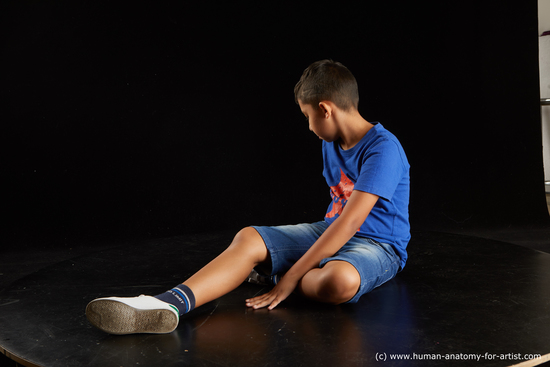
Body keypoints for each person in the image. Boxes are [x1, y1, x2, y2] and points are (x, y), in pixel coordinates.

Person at [85, 59, 410, 335]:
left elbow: (352, 222)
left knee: (337, 282)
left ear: (325, 109)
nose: (309, 126)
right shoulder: (331, 143)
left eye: (307, 115)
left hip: (377, 244)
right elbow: (337, 221)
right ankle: (169, 302)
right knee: (249, 237)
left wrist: (291, 278)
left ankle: (281, 272)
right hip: (331, 230)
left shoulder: (383, 148)